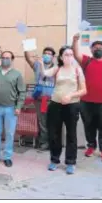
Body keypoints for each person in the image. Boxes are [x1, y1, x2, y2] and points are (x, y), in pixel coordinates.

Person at [38, 46, 86, 174]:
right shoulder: (57, 69)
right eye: (66, 54)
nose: (69, 57)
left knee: (71, 134)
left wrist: (70, 96)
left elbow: (84, 90)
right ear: (61, 57)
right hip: (55, 104)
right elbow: (44, 74)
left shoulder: (77, 70)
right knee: (54, 133)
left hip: (72, 105)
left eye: (71, 54)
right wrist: (42, 64)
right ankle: (54, 160)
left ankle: (70, 162)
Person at [72, 34, 102, 162]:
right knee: (88, 126)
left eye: (100, 47)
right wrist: (75, 41)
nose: (98, 49)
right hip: (86, 102)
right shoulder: (87, 61)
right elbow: (76, 54)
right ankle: (91, 146)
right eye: (95, 47)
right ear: (91, 50)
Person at [25, 46, 57, 151]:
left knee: (53, 122)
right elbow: (28, 58)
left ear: (53, 57)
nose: (47, 55)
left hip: (52, 100)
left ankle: (53, 143)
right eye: (45, 53)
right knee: (42, 122)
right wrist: (26, 46)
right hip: (39, 99)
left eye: (49, 53)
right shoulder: (37, 65)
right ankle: (44, 143)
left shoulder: (56, 68)